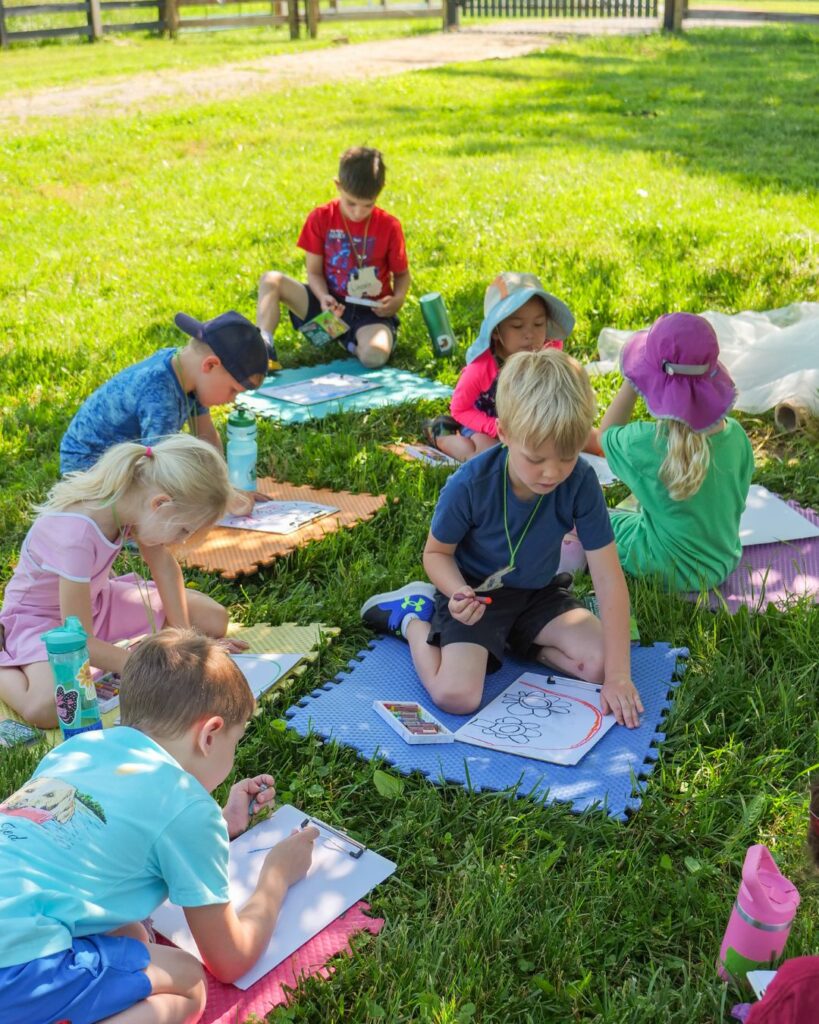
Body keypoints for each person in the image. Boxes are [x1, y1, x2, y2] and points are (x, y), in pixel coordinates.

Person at [0, 629, 318, 1024]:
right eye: (235, 742)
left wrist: (222, 825)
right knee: (187, 981)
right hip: (18, 965)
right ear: (210, 734)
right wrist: (277, 875)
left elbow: (108, 835)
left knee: (132, 934)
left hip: (16, 935)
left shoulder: (78, 749)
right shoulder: (186, 805)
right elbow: (230, 960)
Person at [361, 349, 643, 727]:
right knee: (456, 696)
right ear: (504, 433)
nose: (551, 472)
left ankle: (511, 639)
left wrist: (619, 676)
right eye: (536, 459)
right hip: (475, 597)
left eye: (567, 456)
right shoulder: (470, 483)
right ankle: (413, 619)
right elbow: (436, 553)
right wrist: (457, 592)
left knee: (601, 666)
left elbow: (608, 578)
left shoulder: (580, 480)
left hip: (538, 593)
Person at [0, 434, 244, 728]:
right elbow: (79, 641)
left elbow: (165, 568)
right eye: (183, 530)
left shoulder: (133, 505)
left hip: (96, 603)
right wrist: (150, 669)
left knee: (212, 619)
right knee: (52, 707)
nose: (181, 541)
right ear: (160, 504)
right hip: (44, 625)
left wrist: (186, 642)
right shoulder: (77, 535)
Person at [596, 312, 754, 591]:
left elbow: (604, 436)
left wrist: (632, 381)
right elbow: (737, 505)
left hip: (663, 567)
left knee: (594, 520)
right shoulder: (737, 437)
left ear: (651, 381)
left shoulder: (643, 443)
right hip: (721, 564)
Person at [59, 310, 269, 475]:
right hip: (88, 469)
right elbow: (158, 469)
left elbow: (206, 438)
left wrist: (227, 486)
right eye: (233, 390)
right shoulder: (161, 395)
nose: (232, 400)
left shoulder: (188, 373)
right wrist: (223, 498)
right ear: (210, 365)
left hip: (122, 462)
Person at [256, 146, 411, 369]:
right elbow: (314, 272)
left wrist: (398, 299)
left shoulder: (389, 226)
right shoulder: (321, 218)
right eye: (351, 203)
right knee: (271, 280)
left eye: (367, 205)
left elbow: (402, 274)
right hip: (330, 306)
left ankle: (346, 341)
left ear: (380, 191)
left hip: (370, 313)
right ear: (338, 185)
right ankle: (264, 345)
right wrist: (323, 297)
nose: (358, 212)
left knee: (374, 357)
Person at [424, 272, 573, 463]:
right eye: (517, 326)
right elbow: (460, 408)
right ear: (495, 331)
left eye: (538, 324)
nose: (530, 334)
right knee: (487, 456)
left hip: (527, 421)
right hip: (487, 421)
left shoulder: (548, 352)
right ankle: (441, 433)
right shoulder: (481, 369)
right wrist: (495, 428)